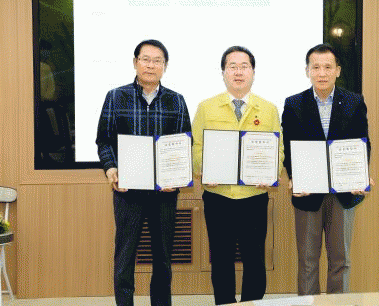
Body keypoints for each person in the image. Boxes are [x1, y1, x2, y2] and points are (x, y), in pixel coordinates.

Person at [96, 39, 191, 306]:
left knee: (163, 259)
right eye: (145, 59)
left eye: (157, 60)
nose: (151, 65)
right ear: (135, 62)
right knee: (125, 256)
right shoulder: (116, 96)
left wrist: (178, 177)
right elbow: (104, 141)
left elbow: (184, 143)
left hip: (165, 194)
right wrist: (111, 168)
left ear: (165, 66)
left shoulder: (176, 100)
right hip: (128, 192)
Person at [192, 46, 284, 305]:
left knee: (254, 258)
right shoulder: (206, 107)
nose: (238, 72)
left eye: (244, 66)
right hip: (218, 196)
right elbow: (196, 146)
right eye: (232, 66)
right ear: (223, 72)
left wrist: (272, 172)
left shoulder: (268, 109)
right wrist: (203, 169)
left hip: (253, 196)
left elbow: (278, 149)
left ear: (253, 72)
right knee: (221, 258)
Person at [281, 43, 372, 295]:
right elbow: (289, 147)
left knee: (340, 261)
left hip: (343, 193)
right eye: (316, 67)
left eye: (328, 67)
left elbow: (362, 143)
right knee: (307, 261)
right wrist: (294, 177)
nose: (322, 73)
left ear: (338, 71)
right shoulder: (294, 103)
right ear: (307, 71)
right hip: (307, 193)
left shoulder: (354, 101)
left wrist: (361, 176)